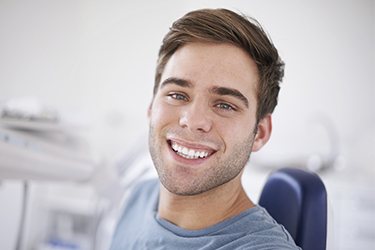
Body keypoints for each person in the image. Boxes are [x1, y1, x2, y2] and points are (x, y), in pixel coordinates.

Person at [110, 8, 300, 249]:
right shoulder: (138, 198)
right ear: (151, 106)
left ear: (260, 133)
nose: (193, 120)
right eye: (177, 95)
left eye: (224, 105)